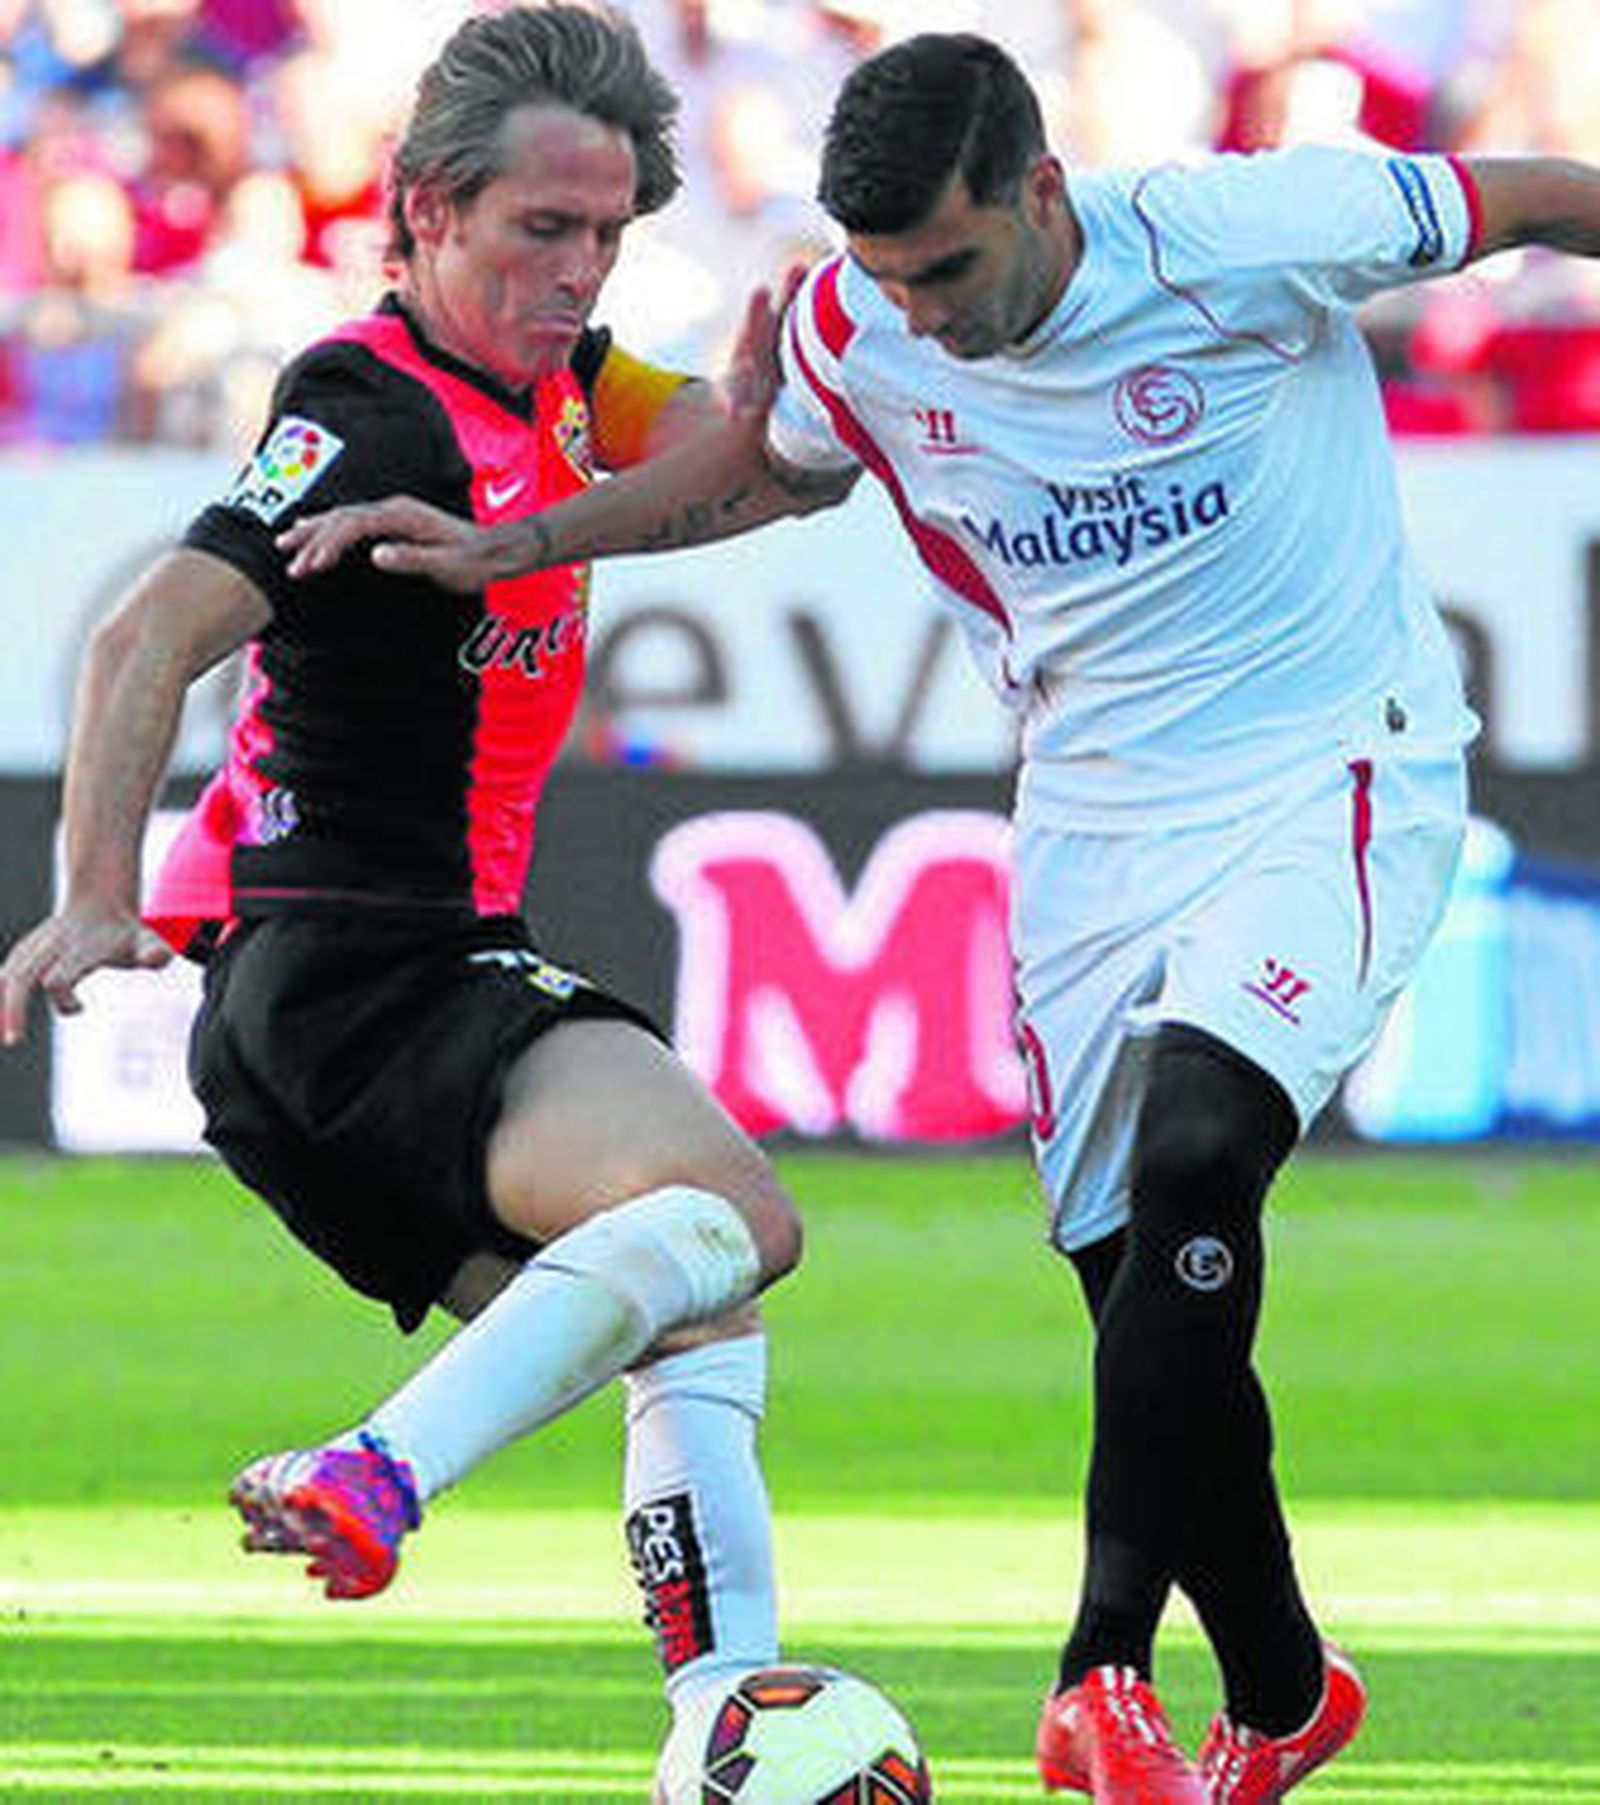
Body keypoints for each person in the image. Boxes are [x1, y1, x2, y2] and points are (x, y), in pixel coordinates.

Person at [274, 31, 1600, 1803]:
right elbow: (764, 467)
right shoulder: (862, 323)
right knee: (1133, 1268)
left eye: (951, 270)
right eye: (891, 278)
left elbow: (1537, 198)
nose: (924, 316)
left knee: (1203, 1150)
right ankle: (1283, 1691)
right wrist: (522, 544)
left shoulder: (1247, 228)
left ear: (1042, 191)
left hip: (1329, 761)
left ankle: (1099, 1670)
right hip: (1093, 818)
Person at [0, 2, 806, 1739]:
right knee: (736, 1216)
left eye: (608, 235)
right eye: (543, 228)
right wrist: (93, 888)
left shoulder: (573, 386)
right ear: (429, 208)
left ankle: (727, 1714)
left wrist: (796, 393)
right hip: (355, 972)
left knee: (694, 1309)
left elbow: (760, 472)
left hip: (361, 995)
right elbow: (146, 634)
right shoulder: (370, 409)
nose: (578, 271)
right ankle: (377, 1469)